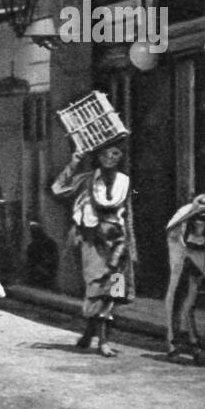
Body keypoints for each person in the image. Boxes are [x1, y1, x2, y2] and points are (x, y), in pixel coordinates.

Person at [51, 140, 136, 358]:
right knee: (97, 288)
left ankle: (92, 335)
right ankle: (102, 341)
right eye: (106, 153)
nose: (111, 157)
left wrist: (130, 246)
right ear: (98, 157)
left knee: (115, 290)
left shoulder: (125, 182)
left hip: (117, 243)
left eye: (116, 153)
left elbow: (127, 215)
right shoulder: (86, 180)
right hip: (93, 242)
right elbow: (57, 189)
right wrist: (74, 161)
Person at [24, 219, 59, 289]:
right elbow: (30, 263)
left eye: (35, 229)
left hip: (47, 278)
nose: (33, 232)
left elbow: (54, 260)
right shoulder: (31, 246)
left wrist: (45, 270)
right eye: (32, 230)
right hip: (35, 279)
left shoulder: (50, 243)